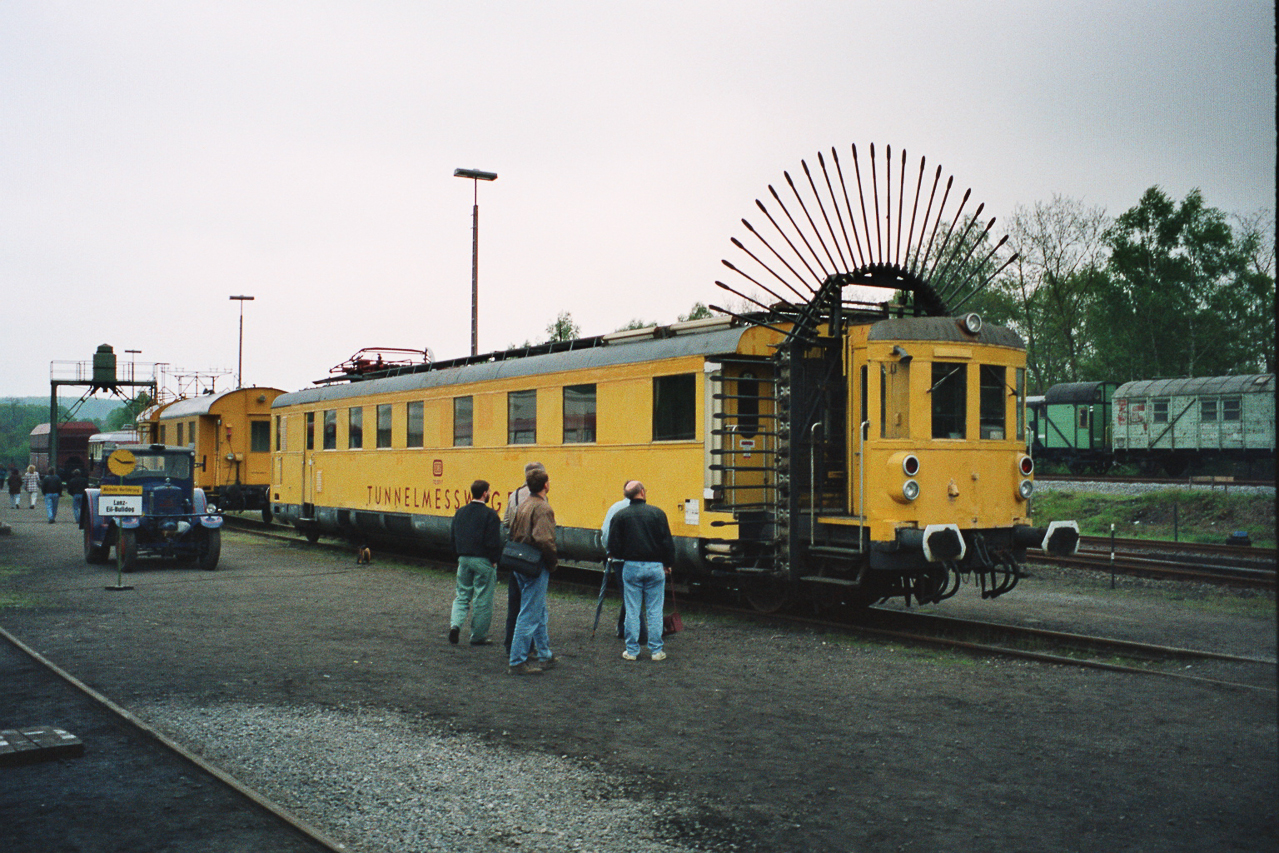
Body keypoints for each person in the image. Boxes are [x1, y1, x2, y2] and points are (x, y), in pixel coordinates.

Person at [607, 480, 675, 662]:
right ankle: (656, 651)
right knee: (654, 610)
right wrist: (667, 563)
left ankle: (632, 650)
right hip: (655, 567)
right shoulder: (658, 514)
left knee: (632, 610)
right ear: (643, 492)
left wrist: (624, 555)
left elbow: (612, 546)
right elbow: (667, 542)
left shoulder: (621, 516)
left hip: (631, 566)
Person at [506, 467, 557, 675]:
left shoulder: (523, 504)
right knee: (529, 613)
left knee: (538, 610)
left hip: (520, 561)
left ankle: (545, 654)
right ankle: (517, 660)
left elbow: (511, 530)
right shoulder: (542, 508)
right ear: (545, 485)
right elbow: (544, 539)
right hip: (535, 564)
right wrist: (552, 561)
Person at [448, 479, 502, 646]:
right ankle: (478, 637)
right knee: (482, 598)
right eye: (489, 491)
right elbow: (493, 541)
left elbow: (453, 536)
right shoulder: (490, 514)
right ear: (485, 493)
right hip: (483, 560)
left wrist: (458, 554)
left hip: (463, 559)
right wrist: (494, 560)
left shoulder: (460, 512)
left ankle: (455, 625)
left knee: (462, 595)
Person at [503, 461, 544, 655]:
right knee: (531, 606)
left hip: (515, 553)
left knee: (514, 603)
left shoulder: (514, 496)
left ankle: (509, 643)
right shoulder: (539, 501)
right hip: (532, 556)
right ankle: (526, 649)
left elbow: (506, 522)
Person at [601, 484, 646, 644]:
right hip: (641, 559)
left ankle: (623, 628)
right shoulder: (648, 510)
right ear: (641, 492)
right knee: (633, 595)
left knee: (629, 594)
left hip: (620, 560)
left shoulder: (615, 508)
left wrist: (610, 551)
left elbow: (606, 533)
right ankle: (640, 634)